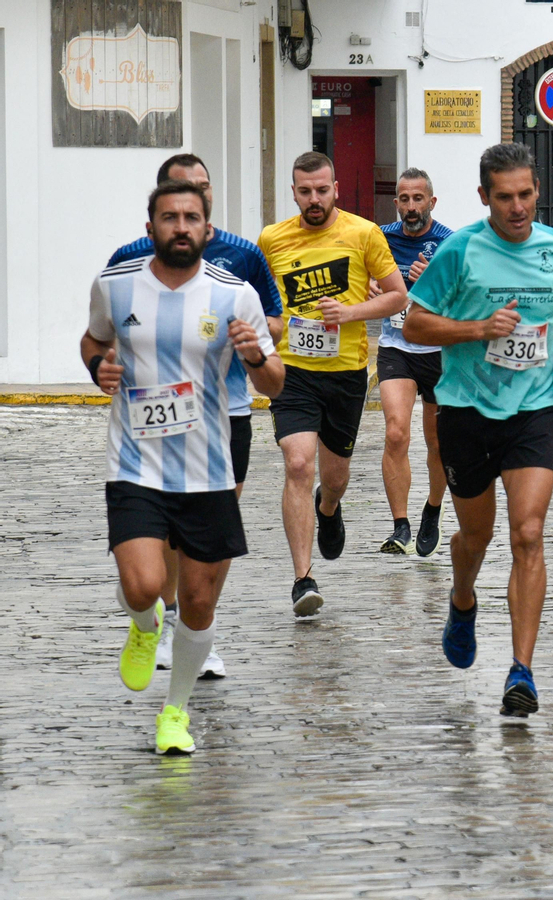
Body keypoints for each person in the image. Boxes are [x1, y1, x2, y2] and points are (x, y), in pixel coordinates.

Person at [85, 180, 284, 753]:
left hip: (208, 470)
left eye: (190, 217)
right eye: (169, 217)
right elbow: (92, 340)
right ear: (150, 228)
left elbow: (275, 382)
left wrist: (252, 356)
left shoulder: (234, 294)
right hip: (135, 462)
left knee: (199, 602)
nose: (180, 226)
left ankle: (175, 712)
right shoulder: (116, 286)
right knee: (144, 583)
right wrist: (98, 366)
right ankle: (145, 627)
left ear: (207, 228)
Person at [403, 142, 553, 717]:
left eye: (526, 195)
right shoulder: (460, 251)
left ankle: (522, 672)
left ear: (537, 192)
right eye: (504, 197)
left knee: (528, 534)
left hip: (533, 410)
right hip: (465, 411)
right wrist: (478, 328)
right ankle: (462, 598)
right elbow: (413, 323)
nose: (517, 207)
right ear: (484, 197)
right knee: (475, 538)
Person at [259, 151, 407, 616]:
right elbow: (256, 298)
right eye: (305, 191)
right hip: (292, 372)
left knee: (334, 477)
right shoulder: (272, 239)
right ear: (294, 192)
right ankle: (303, 579)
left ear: (336, 189)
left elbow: (398, 295)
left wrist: (351, 313)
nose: (314, 199)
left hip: (345, 372)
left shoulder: (364, 234)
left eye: (322, 190)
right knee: (299, 464)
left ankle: (329, 506)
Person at [376, 168, 451, 557]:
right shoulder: (381, 238)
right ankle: (400, 524)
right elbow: (361, 279)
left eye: (418, 199)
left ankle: (433, 510)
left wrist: (434, 281)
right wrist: (373, 287)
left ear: (431, 202)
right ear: (396, 203)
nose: (410, 207)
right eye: (404, 199)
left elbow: (464, 301)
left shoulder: (449, 243)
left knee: (438, 442)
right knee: (395, 432)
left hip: (438, 350)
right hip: (396, 347)